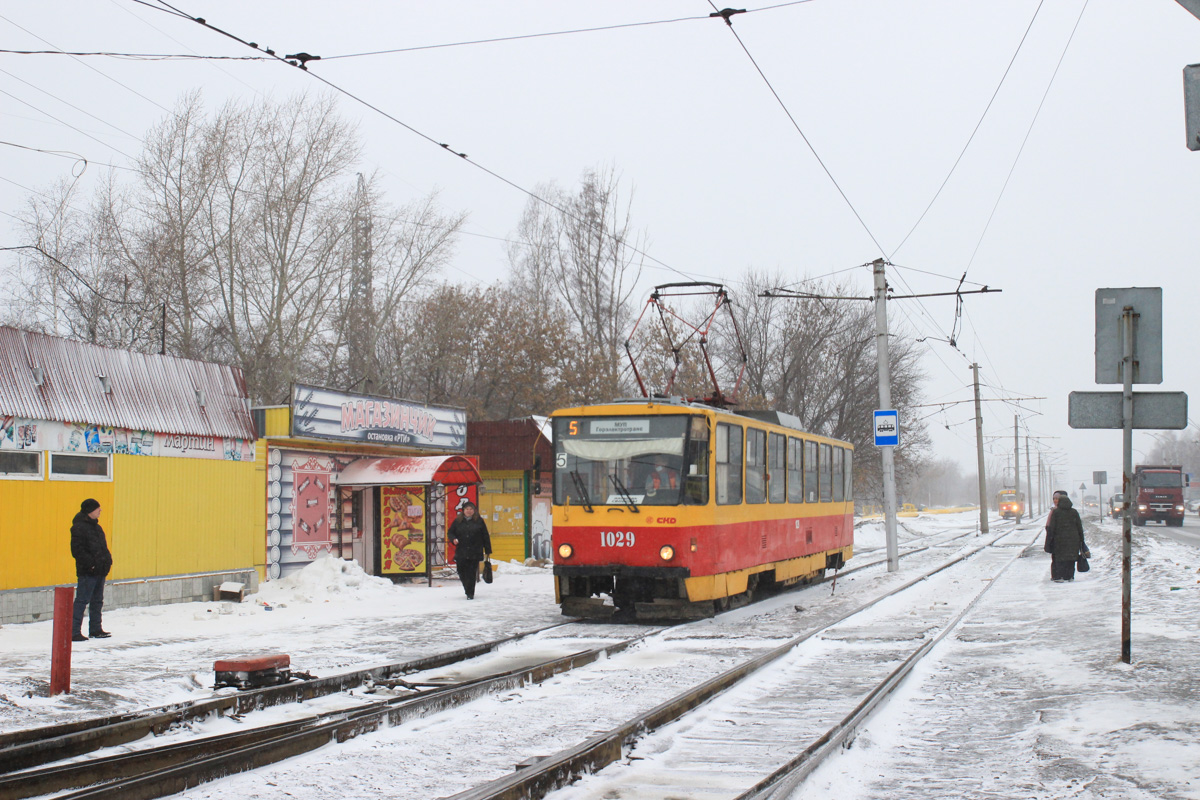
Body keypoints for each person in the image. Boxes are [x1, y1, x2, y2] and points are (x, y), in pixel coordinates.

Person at [70, 498, 113, 641]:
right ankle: (73, 631)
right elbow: (77, 551)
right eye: (97, 508)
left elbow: (103, 548)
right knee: (82, 600)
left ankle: (96, 629)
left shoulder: (97, 527)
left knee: (97, 601)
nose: (100, 510)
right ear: (89, 511)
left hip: (100, 570)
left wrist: (107, 561)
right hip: (88, 572)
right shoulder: (79, 528)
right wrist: (91, 565)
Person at [448, 501, 491, 600]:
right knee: (461, 571)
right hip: (461, 551)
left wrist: (488, 549)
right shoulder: (458, 521)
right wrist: (453, 539)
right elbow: (450, 532)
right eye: (467, 509)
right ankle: (467, 588)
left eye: (471, 509)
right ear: (463, 510)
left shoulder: (479, 521)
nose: (469, 511)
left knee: (471, 573)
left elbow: (485, 535)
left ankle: (470, 593)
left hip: (475, 551)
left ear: (474, 510)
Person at [1044, 495, 1090, 582]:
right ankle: (1069, 576)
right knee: (1071, 558)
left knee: (1059, 558)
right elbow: (1079, 527)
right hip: (1073, 540)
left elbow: (1052, 527)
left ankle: (1059, 576)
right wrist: (1081, 539)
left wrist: (1050, 540)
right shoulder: (1074, 512)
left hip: (1059, 540)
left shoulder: (1056, 512)